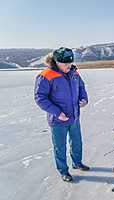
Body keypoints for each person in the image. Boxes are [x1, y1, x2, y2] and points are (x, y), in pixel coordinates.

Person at [34, 47, 90, 182]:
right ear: (57, 62)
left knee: (77, 142)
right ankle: (63, 171)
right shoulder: (46, 75)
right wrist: (58, 113)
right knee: (60, 147)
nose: (68, 66)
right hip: (58, 120)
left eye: (70, 63)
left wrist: (84, 99)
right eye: (65, 64)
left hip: (74, 116)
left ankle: (77, 163)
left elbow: (81, 87)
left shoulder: (74, 72)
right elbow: (40, 98)